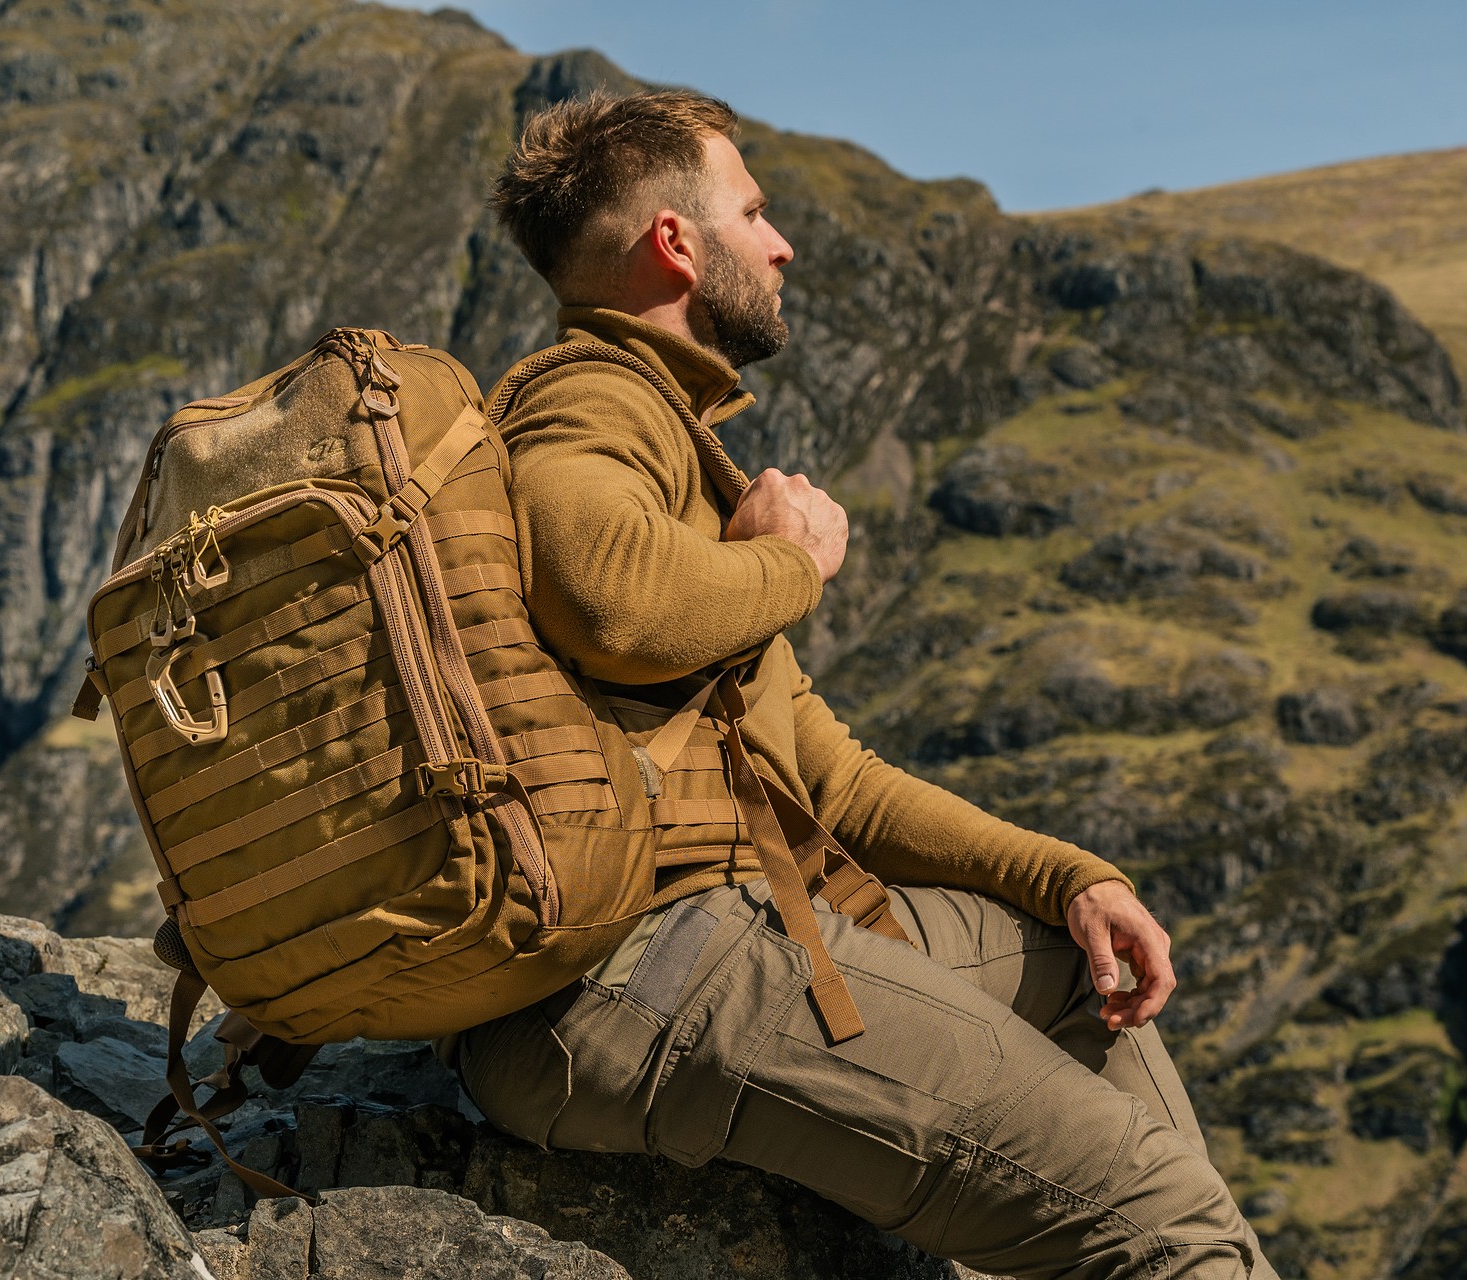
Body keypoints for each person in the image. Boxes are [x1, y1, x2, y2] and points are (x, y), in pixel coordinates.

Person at [451, 89, 1277, 1280]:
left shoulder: (666, 434)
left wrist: (1071, 875)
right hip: (636, 975)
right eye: (753, 210)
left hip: (686, 947)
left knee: (1072, 970)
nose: (780, 243)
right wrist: (791, 560)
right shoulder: (594, 397)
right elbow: (612, 599)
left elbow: (832, 776)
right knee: (1161, 1226)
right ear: (676, 246)